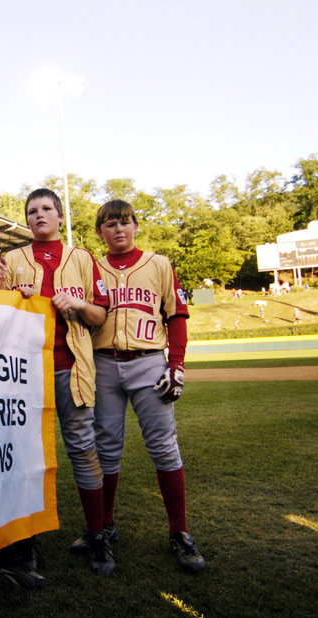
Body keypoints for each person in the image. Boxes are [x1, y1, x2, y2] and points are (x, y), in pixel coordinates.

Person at [88, 199, 206, 574]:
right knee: (106, 449)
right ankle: (104, 527)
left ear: (136, 225)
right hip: (103, 363)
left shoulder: (158, 264)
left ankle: (180, 532)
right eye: (109, 224)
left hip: (149, 362)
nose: (118, 229)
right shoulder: (91, 266)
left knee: (164, 448)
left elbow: (177, 314)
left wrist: (177, 364)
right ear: (99, 232)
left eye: (124, 222)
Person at [1, 188, 110, 576]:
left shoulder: (82, 258)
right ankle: (23, 544)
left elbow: (100, 317)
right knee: (23, 457)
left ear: (61, 217)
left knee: (82, 449)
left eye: (47, 209)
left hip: (71, 367)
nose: (39, 216)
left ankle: (97, 535)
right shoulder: (11, 259)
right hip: (22, 374)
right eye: (32, 211)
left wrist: (79, 304)